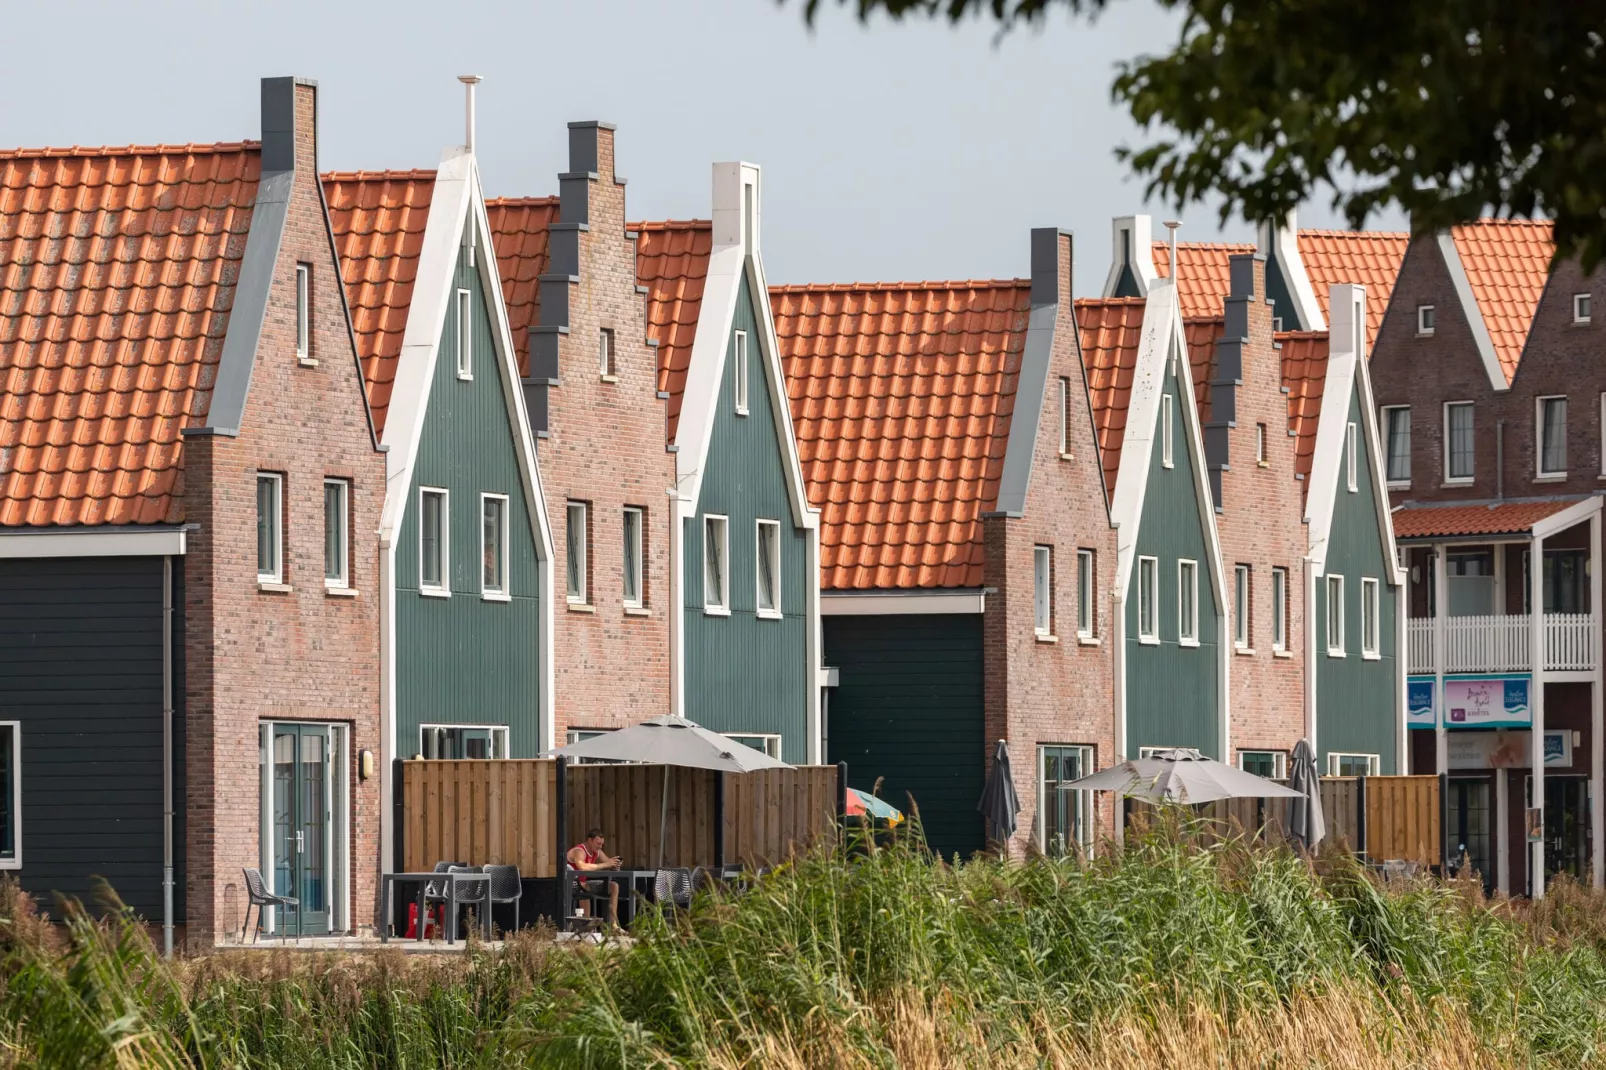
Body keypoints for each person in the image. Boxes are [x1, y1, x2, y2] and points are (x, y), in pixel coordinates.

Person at [567, 828, 621, 927]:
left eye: (601, 844)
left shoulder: (598, 852)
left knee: (614, 886)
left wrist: (615, 864)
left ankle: (613, 924)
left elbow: (608, 862)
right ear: (590, 840)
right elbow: (582, 866)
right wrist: (605, 865)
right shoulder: (579, 851)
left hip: (584, 884)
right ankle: (586, 927)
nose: (600, 846)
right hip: (572, 885)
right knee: (584, 890)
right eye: (598, 843)